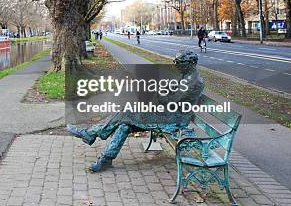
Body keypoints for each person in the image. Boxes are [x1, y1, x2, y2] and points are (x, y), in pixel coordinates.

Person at [67, 50, 204, 172]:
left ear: (192, 63)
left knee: (126, 113)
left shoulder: (194, 81)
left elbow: (170, 101)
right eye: (175, 61)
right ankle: (105, 160)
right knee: (124, 124)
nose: (176, 65)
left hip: (174, 119)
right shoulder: (185, 75)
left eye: (180, 62)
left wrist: (161, 95)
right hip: (166, 113)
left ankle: (90, 133)